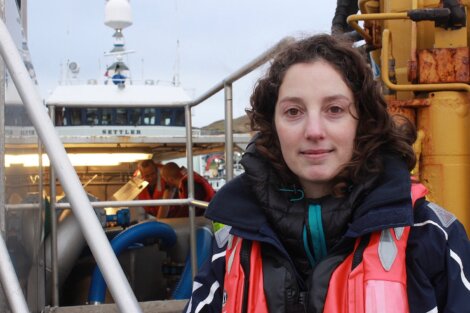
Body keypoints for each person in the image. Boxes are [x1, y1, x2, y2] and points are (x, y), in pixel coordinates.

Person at [184, 34, 470, 312]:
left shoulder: (432, 236)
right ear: (272, 125)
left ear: (363, 121)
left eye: (334, 109)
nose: (314, 131)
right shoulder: (232, 243)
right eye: (294, 112)